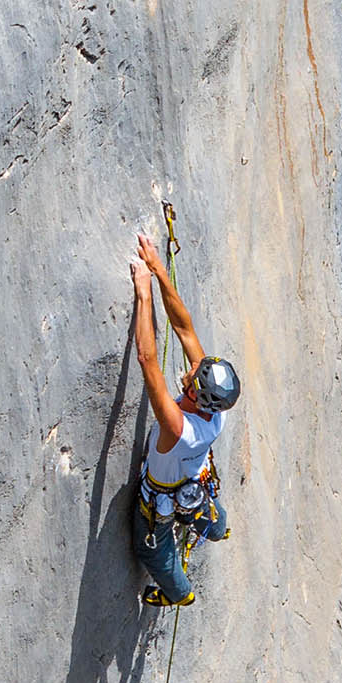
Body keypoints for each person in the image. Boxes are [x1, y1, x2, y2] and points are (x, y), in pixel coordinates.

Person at [129, 232, 240, 608]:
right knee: (201, 504)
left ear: (195, 394)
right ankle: (217, 528)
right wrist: (159, 267)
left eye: (194, 374)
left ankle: (179, 593)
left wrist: (143, 294)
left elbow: (147, 360)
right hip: (193, 481)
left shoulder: (177, 427)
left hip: (158, 498)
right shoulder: (214, 411)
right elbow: (184, 328)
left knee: (151, 550)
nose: (193, 367)